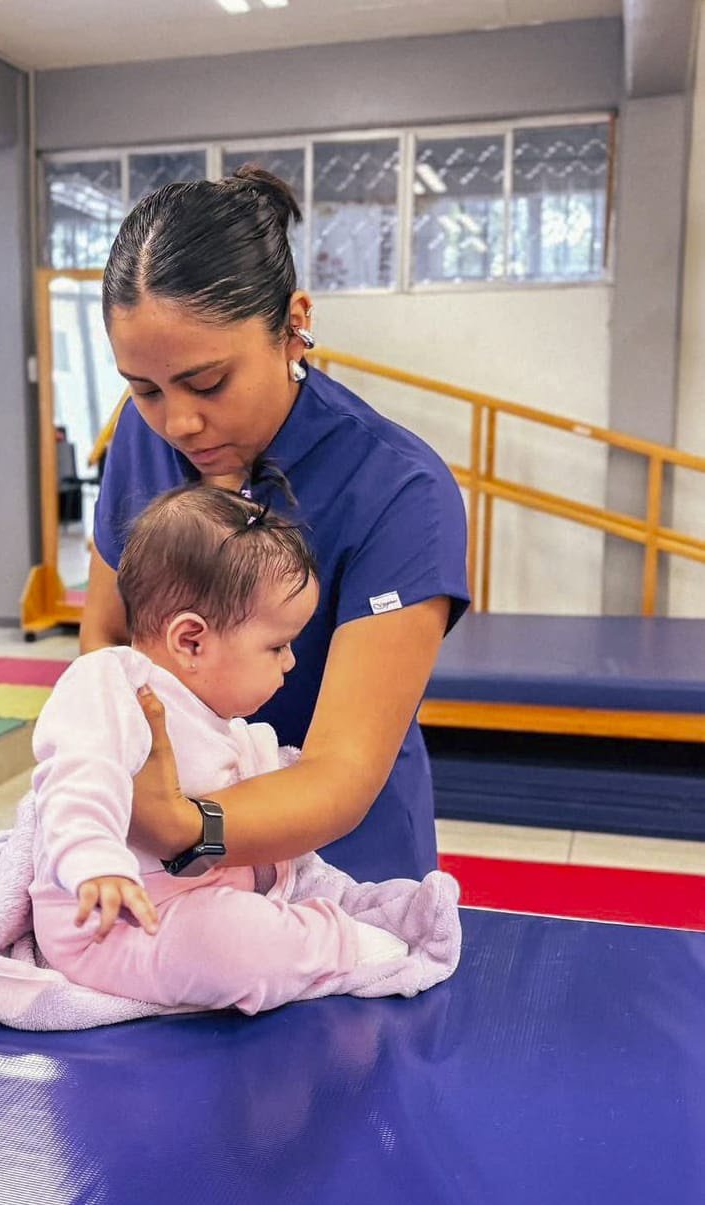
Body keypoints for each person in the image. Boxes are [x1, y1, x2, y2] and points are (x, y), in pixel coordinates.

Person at [81, 165, 470, 884]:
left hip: (341, 864)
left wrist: (183, 826)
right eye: (145, 389)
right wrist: (104, 781)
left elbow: (340, 772)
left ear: (294, 326)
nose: (180, 422)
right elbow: (105, 638)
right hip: (162, 850)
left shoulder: (399, 489)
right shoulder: (142, 438)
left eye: (208, 383)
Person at [28, 484, 459, 1015]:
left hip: (194, 899)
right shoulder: (113, 685)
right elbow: (77, 778)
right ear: (191, 641)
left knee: (252, 909)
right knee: (230, 946)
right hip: (113, 924)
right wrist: (96, 863)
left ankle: (310, 919)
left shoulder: (210, 714)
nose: (291, 662)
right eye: (277, 646)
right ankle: (332, 945)